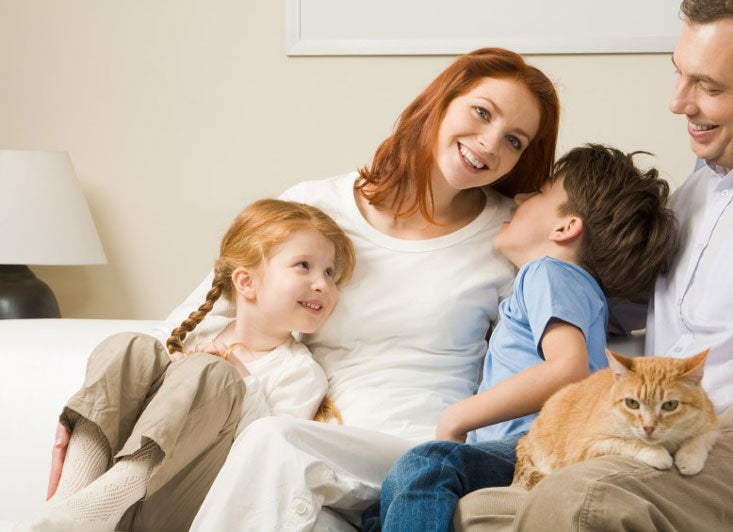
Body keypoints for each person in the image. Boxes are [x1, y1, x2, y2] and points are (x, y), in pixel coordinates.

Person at [150, 48, 562, 531]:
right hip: (320, 455)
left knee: (273, 441)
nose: (490, 144)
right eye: (481, 112)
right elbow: (202, 315)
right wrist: (99, 419)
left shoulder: (506, 238)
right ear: (440, 103)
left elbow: (572, 317)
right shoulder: (316, 207)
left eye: (514, 140)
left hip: (416, 452)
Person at [455, 1, 733, 530]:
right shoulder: (700, 188)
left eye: (708, 86)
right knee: (476, 507)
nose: (678, 103)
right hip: (666, 424)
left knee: (582, 500)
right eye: (678, 74)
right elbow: (606, 305)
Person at [361, 144, 678, 531]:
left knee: (428, 464)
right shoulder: (584, 293)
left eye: (541, 192)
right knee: (377, 514)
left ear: (565, 228)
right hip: (543, 447)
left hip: (535, 442)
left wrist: (457, 416)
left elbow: (569, 368)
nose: (522, 196)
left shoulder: (548, 272)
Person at [20, 199, 355, 531]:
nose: (322, 283)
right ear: (246, 282)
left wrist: (238, 378)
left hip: (183, 506)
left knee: (212, 373)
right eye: (303, 266)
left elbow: (266, 459)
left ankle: (95, 508)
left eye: (329, 272)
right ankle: (69, 506)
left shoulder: (299, 373)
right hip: (113, 500)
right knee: (131, 346)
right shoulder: (197, 335)